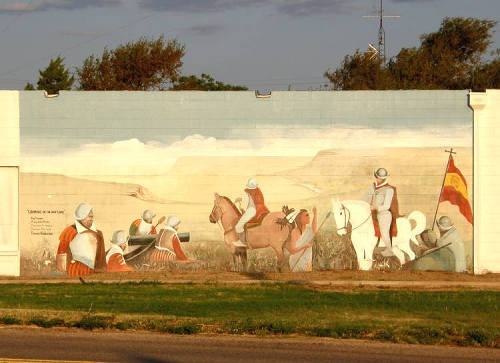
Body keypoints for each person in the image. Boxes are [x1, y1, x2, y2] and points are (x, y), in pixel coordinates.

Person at [56, 203, 106, 276]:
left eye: (92, 217)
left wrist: (101, 272)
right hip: (75, 269)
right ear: (81, 217)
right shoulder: (69, 231)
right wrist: (62, 271)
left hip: (93, 271)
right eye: (89, 217)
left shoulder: (98, 234)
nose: (91, 219)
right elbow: (61, 253)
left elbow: (101, 257)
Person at [362, 168, 401, 257]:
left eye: (379, 178)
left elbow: (386, 206)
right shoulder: (373, 187)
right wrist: (361, 205)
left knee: (384, 232)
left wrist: (375, 207)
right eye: (377, 177)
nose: (377, 179)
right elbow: (365, 198)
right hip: (372, 212)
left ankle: (389, 250)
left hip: (384, 214)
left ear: (383, 179)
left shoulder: (389, 190)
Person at [233, 177, 269, 248]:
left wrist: (240, 204)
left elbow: (245, 203)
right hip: (261, 209)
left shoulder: (248, 192)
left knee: (238, 226)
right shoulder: (258, 191)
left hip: (252, 210)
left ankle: (242, 242)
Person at [286, 206, 318, 272]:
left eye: (308, 215)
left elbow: (314, 227)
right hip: (296, 262)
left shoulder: (309, 230)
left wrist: (315, 214)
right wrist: (304, 246)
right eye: (306, 215)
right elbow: (292, 250)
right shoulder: (294, 232)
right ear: (300, 219)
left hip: (307, 263)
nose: (309, 217)